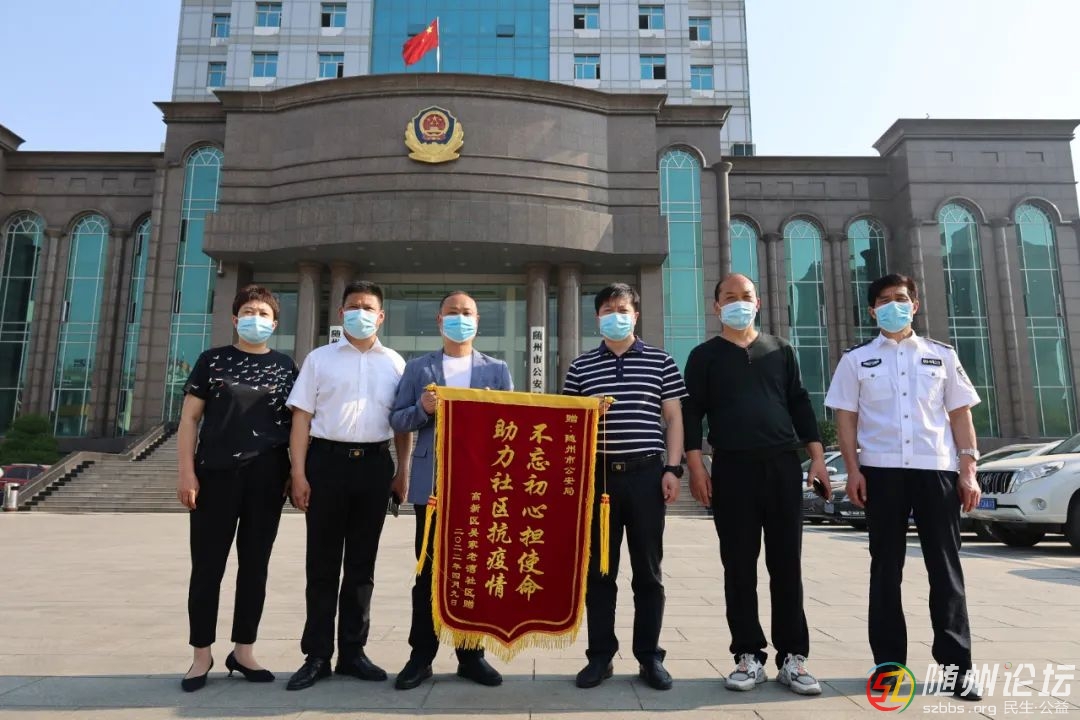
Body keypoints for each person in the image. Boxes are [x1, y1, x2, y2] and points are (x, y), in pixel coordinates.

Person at [824, 273, 983, 701]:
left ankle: (957, 668)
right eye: (883, 300)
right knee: (885, 570)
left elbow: (960, 414)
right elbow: (846, 420)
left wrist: (968, 469)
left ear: (914, 305)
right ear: (872, 310)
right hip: (881, 473)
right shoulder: (857, 360)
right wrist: (853, 470)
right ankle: (889, 666)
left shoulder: (941, 355)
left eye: (900, 298)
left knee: (945, 570)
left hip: (936, 471)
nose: (892, 305)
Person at [682, 273, 827, 696]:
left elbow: (799, 403)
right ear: (716, 307)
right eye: (729, 297)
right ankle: (748, 655)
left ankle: (793, 658)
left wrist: (817, 457)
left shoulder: (780, 350)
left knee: (787, 565)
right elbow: (692, 414)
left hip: (782, 466)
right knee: (739, 566)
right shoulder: (704, 356)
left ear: (758, 303)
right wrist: (696, 466)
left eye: (745, 296)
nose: (738, 303)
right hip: (732, 469)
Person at [284, 280, 412, 691]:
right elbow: (301, 418)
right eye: (353, 306)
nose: (361, 313)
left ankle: (353, 652)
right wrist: (298, 473)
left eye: (368, 307)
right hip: (326, 464)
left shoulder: (395, 363)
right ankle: (317, 655)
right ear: (341, 314)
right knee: (321, 564)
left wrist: (403, 470)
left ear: (381, 316)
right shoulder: (319, 359)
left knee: (361, 566)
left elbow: (402, 424)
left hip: (374, 466)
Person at [563, 282, 686, 691]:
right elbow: (568, 426)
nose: (615, 316)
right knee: (600, 571)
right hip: (598, 480)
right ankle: (600, 657)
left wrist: (673, 469)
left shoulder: (660, 361)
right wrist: (588, 415)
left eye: (622, 309)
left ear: (635, 315)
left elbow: (674, 419)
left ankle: (649, 656)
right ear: (596, 317)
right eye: (607, 310)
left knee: (648, 572)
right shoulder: (580, 367)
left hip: (647, 475)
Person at [176, 285, 298, 692]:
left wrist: (294, 471)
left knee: (255, 567)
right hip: (215, 475)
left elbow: (297, 424)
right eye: (248, 312)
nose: (255, 319)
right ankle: (201, 655)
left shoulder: (285, 366)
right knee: (207, 567)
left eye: (263, 314)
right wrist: (186, 472)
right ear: (234, 318)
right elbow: (190, 419)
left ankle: (244, 651)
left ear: (275, 323)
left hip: (267, 477)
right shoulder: (212, 361)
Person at [389, 290, 512, 690]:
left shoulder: (497, 370)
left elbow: (512, 429)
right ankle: (420, 656)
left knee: (472, 571)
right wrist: (422, 409)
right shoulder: (418, 368)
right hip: (432, 486)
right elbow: (397, 419)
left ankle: (471, 655)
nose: (461, 319)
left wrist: (494, 413)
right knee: (427, 572)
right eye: (453, 313)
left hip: (478, 487)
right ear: (440, 321)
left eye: (467, 313)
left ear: (478, 321)